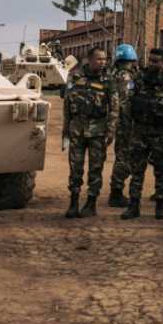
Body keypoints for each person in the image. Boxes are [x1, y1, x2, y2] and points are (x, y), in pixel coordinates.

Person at [62, 47, 119, 218]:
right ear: (89, 59)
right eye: (99, 59)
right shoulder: (75, 77)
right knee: (75, 168)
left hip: (98, 132)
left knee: (95, 169)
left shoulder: (109, 80)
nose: (102, 62)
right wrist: (66, 129)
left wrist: (111, 131)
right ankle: (73, 202)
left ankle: (91, 203)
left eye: (104, 59)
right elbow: (67, 104)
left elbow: (115, 108)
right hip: (77, 130)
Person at [122, 48, 163, 220]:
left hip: (160, 133)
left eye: (156, 61)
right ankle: (133, 205)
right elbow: (128, 103)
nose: (152, 63)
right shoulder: (138, 79)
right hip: (140, 131)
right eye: (150, 60)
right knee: (137, 170)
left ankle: (160, 205)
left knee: (161, 171)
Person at [107, 44, 139, 207]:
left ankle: (116, 191)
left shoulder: (112, 74)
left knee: (122, 156)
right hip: (126, 124)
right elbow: (125, 102)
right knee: (124, 158)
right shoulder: (125, 77)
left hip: (119, 123)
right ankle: (116, 192)